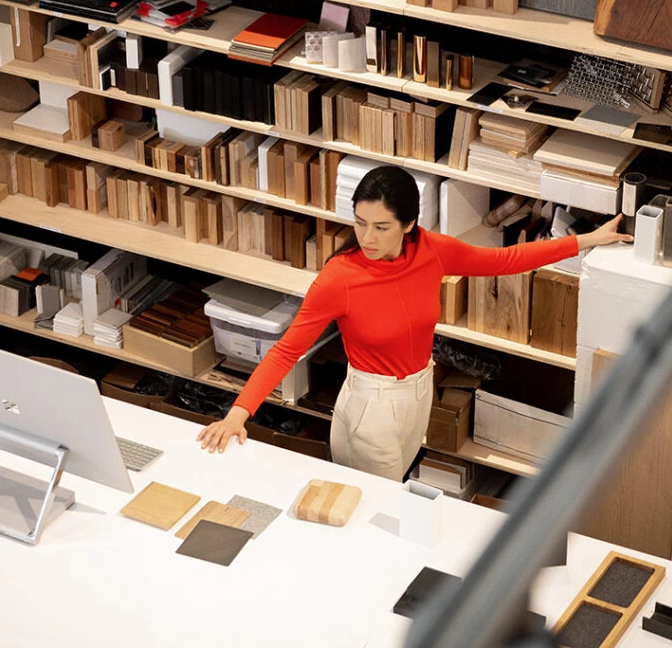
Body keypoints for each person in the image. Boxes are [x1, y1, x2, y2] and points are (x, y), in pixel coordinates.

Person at [197, 165, 632, 480]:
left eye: (381, 227)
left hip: (419, 393)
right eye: (360, 223)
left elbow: (505, 260)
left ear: (408, 224)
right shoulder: (339, 278)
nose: (367, 237)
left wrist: (588, 240)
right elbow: (286, 349)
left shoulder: (432, 250)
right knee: (377, 512)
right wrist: (238, 413)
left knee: (394, 490)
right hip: (371, 406)